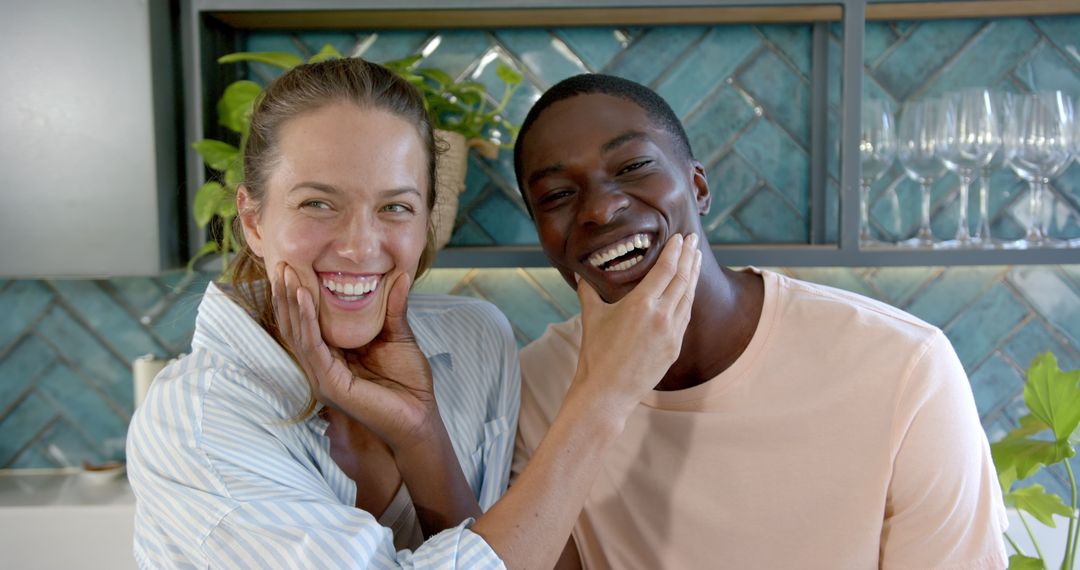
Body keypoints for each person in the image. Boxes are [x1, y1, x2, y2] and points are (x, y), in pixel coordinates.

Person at [126, 58, 701, 569]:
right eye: (318, 203)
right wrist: (602, 397)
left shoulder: (475, 340)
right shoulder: (195, 423)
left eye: (394, 206)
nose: (359, 245)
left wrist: (421, 435)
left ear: (427, 218)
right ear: (253, 221)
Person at [511, 73, 1008, 569]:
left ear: (698, 186)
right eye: (556, 195)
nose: (600, 208)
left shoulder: (904, 366)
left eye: (634, 166)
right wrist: (601, 394)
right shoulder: (534, 388)